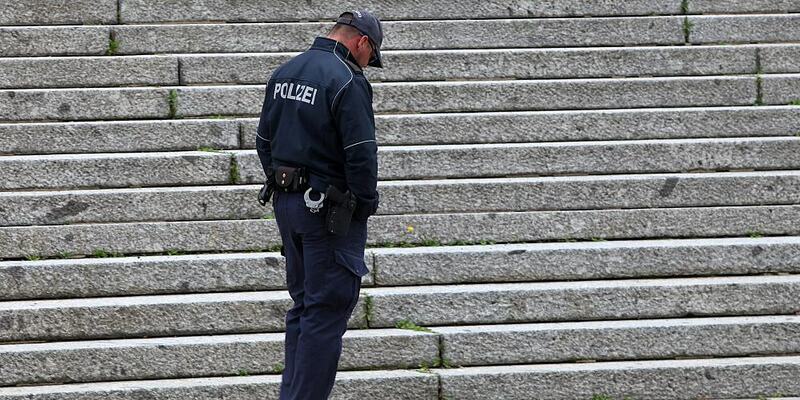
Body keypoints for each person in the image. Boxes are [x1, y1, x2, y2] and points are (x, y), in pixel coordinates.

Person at [255, 9, 384, 400]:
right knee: (325, 313)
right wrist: (362, 205)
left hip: (289, 205)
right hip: (329, 213)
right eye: (371, 55)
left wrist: (285, 184)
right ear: (362, 42)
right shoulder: (346, 79)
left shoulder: (285, 73)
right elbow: (361, 154)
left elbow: (263, 142)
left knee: (304, 308)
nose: (368, 63)